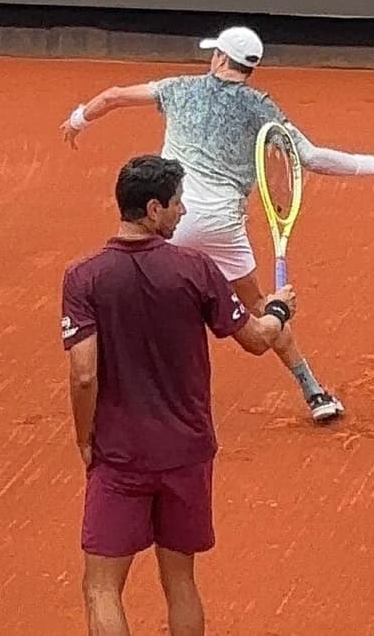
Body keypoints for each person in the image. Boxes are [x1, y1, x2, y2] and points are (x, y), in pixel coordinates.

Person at [60, 25, 374, 423]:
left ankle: (132, 391)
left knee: (138, 296)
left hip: (172, 218)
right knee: (261, 307)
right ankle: (314, 391)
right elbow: (310, 157)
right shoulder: (261, 107)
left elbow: (113, 96)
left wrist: (77, 120)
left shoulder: (179, 88)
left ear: (221, 58)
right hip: (224, 227)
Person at [61, 154, 297, 636]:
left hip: (121, 454)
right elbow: (256, 339)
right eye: (176, 203)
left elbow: (84, 375)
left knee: (101, 587)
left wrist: (86, 439)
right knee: (181, 579)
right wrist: (277, 310)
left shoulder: (84, 278)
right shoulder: (196, 269)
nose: (184, 211)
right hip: (187, 452)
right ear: (153, 209)